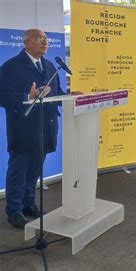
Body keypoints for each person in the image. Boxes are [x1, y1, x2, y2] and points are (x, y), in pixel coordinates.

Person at [0, 29, 65, 229]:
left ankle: (29, 204)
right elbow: (3, 96)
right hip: (23, 128)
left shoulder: (49, 65)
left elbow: (57, 92)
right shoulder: (11, 67)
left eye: (46, 39)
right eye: (40, 39)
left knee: (35, 170)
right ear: (27, 43)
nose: (45, 42)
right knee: (19, 171)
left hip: (46, 127)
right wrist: (28, 97)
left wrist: (71, 95)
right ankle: (14, 210)